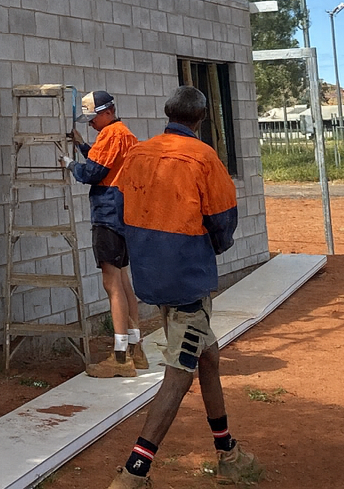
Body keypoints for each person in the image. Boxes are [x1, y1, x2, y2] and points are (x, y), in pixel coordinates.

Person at [107, 86, 261, 488]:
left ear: (167, 113)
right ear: (202, 118)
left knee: (207, 356)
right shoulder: (203, 157)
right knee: (181, 370)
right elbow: (223, 220)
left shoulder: (138, 153)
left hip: (149, 274)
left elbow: (118, 208)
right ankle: (133, 474)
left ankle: (227, 451)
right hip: (187, 277)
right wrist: (209, 246)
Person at [68, 90, 147, 377]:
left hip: (108, 212)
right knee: (123, 278)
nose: (90, 123)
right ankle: (137, 349)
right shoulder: (123, 134)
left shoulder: (110, 134)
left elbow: (93, 173)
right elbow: (105, 163)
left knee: (111, 282)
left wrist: (71, 165)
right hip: (124, 210)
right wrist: (82, 148)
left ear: (108, 112)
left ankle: (120, 356)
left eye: (92, 118)